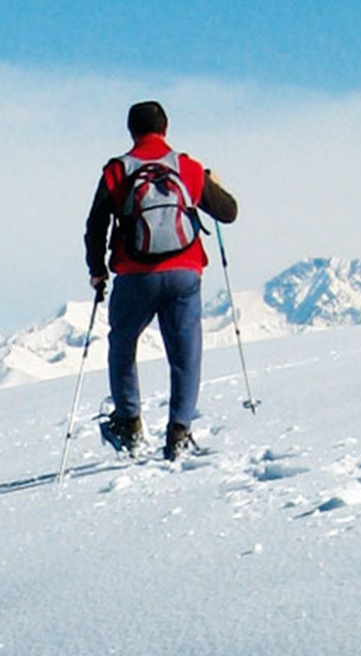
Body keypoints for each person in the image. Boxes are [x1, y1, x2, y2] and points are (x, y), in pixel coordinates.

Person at [85, 101, 238, 460]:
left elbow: (95, 225)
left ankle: (130, 422)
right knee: (185, 352)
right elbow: (228, 212)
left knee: (122, 345)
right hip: (185, 272)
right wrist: (211, 183)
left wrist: (97, 269)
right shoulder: (186, 167)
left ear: (131, 130)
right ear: (166, 128)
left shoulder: (117, 170)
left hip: (135, 275)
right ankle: (179, 432)